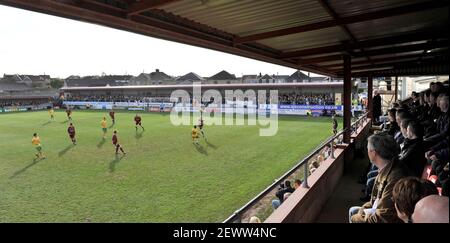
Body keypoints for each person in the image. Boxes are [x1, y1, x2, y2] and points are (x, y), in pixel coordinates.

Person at [349, 133, 410, 223]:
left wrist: (356, 218)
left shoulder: (395, 178)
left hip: (390, 219)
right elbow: (373, 201)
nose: (367, 152)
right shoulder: (387, 168)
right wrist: (362, 211)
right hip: (378, 211)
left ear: (373, 153)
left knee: (353, 215)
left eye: (368, 149)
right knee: (354, 210)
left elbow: (383, 217)